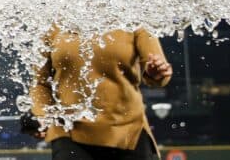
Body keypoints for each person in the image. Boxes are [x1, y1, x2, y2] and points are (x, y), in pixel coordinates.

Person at [29, 27, 173, 160]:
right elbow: (40, 83)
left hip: (127, 130)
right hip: (68, 130)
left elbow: (159, 73)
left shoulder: (133, 19)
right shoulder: (54, 25)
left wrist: (157, 72)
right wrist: (42, 115)